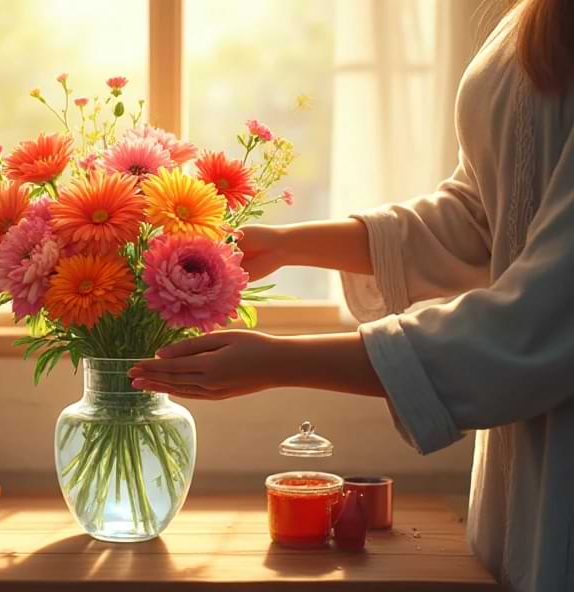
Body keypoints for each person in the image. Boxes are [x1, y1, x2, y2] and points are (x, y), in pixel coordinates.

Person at [128, 0, 574, 590]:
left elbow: (541, 320)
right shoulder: (528, 18)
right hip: (522, 467)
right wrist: (288, 244)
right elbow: (483, 215)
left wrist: (283, 360)